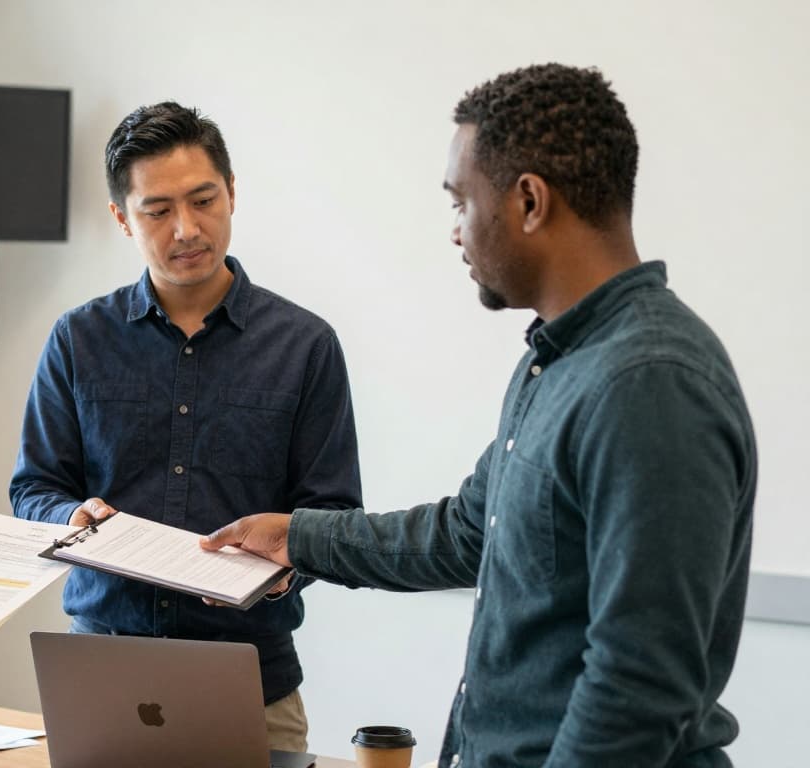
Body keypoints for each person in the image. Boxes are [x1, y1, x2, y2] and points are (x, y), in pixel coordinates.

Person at [202, 64, 757, 767]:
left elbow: (640, 686)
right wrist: (299, 539)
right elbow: (467, 530)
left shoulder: (650, 384)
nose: (456, 232)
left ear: (529, 201)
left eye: (461, 202)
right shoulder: (556, 362)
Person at [9, 101, 363, 751]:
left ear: (233, 193)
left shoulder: (306, 345)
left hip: (253, 680)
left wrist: (288, 563)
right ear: (122, 218)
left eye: (204, 200)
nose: (187, 229)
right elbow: (34, 486)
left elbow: (334, 509)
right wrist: (70, 519)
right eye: (158, 210)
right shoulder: (77, 339)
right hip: (99, 676)